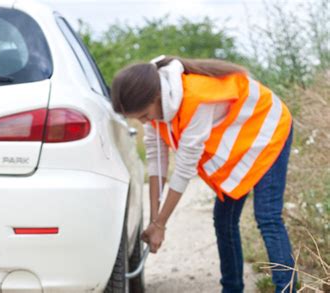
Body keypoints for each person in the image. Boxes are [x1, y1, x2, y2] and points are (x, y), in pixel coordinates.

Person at [111, 55, 296, 293]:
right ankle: (231, 288)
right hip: (240, 143)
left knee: (267, 217)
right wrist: (154, 220)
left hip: (268, 130)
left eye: (144, 115)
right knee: (224, 220)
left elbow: (184, 168)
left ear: (156, 98)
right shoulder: (155, 100)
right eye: (138, 119)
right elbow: (157, 162)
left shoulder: (196, 100)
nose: (144, 121)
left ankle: (288, 288)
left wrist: (161, 224)